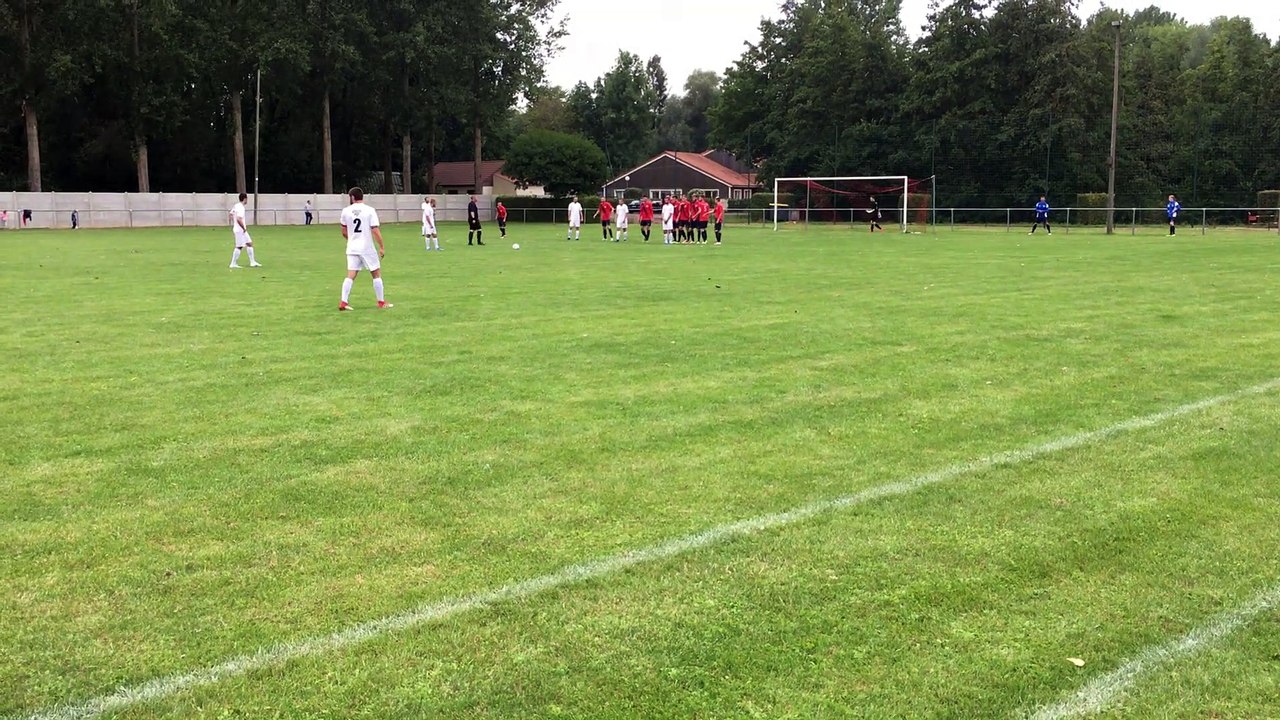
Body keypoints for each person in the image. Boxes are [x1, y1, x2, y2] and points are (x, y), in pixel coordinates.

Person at [339, 186, 391, 310]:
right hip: (367, 247)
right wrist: (381, 246)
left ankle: (343, 302)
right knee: (376, 274)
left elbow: (344, 231)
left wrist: (352, 239)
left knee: (350, 275)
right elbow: (375, 230)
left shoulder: (346, 211)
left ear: (352, 197)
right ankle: (381, 302)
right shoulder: (370, 210)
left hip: (352, 248)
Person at [228, 193, 262, 268]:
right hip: (240, 230)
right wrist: (243, 228)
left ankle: (252, 262)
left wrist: (233, 223)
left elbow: (230, 214)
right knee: (239, 246)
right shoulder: (241, 207)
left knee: (249, 243)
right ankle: (233, 264)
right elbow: (239, 219)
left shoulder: (236, 205)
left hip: (239, 229)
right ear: (245, 199)